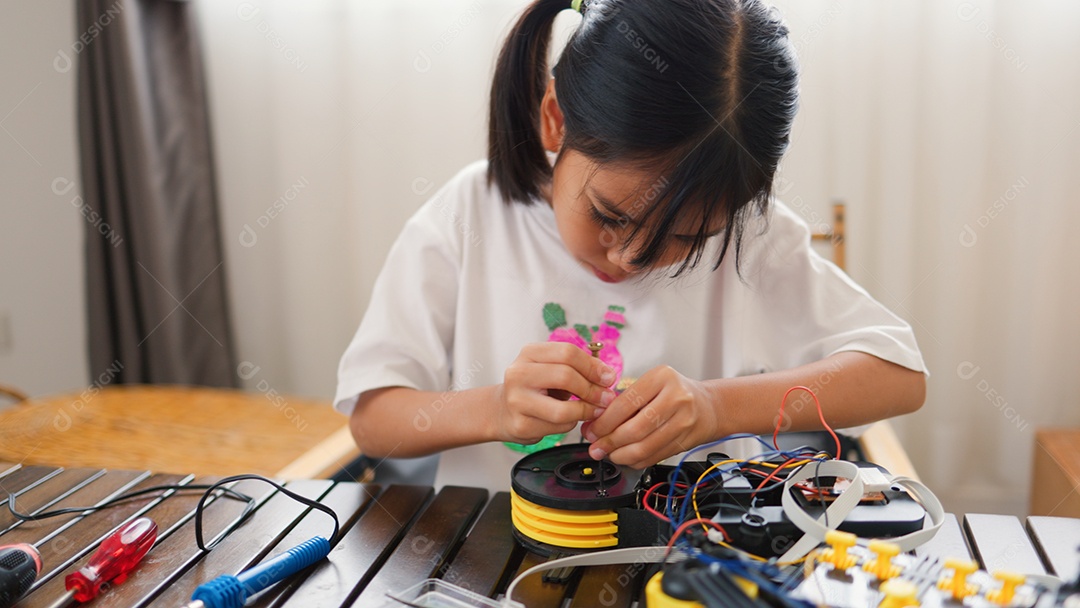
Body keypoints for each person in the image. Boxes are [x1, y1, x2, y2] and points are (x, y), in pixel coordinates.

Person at [335, 0, 926, 494]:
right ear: (554, 121)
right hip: (498, 555)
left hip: (698, 564)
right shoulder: (472, 212)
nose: (630, 258)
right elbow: (373, 422)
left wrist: (718, 409)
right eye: (609, 216)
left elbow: (900, 374)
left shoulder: (754, 235)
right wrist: (491, 409)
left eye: (689, 237)